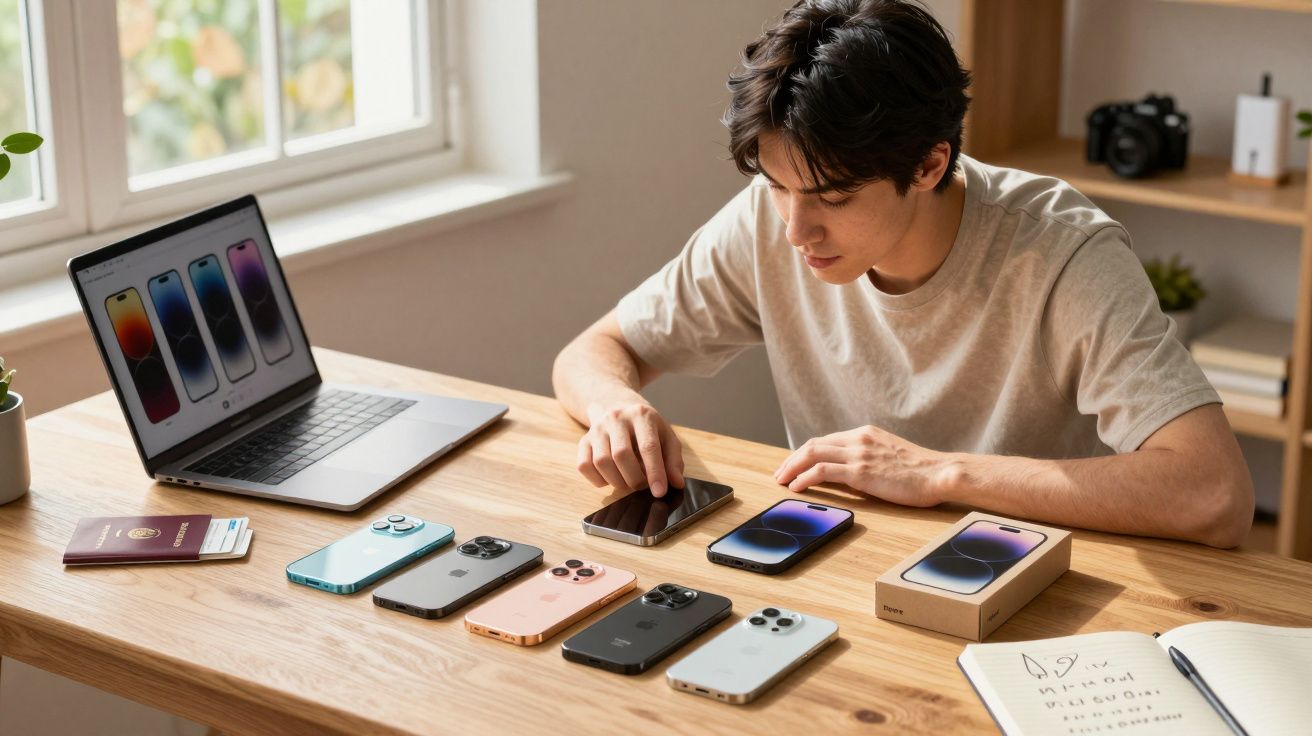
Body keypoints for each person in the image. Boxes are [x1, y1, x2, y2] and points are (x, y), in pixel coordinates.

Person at [552, 0, 1253, 547]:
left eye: (833, 198)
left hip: (1037, 579)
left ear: (928, 165)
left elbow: (1214, 494)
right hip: (840, 558)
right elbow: (593, 352)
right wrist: (619, 407)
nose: (796, 231)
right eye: (775, 185)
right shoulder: (772, 220)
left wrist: (941, 473)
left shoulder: (1064, 253)